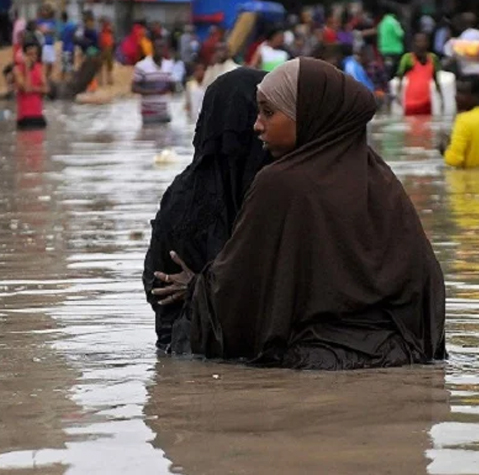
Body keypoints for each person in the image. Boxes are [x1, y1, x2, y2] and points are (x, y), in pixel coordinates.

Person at [151, 58, 446, 370]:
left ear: (307, 115)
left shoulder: (280, 183)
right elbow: (425, 279)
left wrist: (196, 289)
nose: (256, 125)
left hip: (316, 362)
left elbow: (241, 283)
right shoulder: (380, 177)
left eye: (268, 112)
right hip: (404, 356)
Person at [144, 69, 270, 349]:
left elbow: (155, 282)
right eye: (261, 112)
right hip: (229, 353)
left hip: (182, 352)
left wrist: (198, 288)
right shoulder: (269, 189)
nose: (262, 125)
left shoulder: (181, 193)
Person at [396, 32, 443, 116]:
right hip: (410, 103)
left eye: (423, 41)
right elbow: (400, 78)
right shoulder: (407, 58)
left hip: (426, 102)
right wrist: (398, 95)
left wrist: (441, 98)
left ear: (428, 43)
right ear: (413, 43)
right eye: (417, 41)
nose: (420, 44)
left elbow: (436, 79)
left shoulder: (433, 58)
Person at [132, 37, 177, 124]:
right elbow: (134, 88)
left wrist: (174, 85)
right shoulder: (141, 66)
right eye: (158, 47)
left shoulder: (169, 65)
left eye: (163, 47)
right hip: (148, 114)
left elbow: (174, 89)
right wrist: (153, 91)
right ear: (153, 48)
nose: (160, 50)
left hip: (164, 112)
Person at [14, 37, 49, 129]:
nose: (33, 57)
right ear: (24, 55)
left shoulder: (39, 67)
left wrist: (34, 89)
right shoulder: (18, 70)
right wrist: (27, 69)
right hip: (24, 117)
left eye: (35, 54)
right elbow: (26, 88)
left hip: (38, 115)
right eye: (30, 54)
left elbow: (46, 89)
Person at [377, 11, 405, 77]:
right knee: (395, 70)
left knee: (387, 68)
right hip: (394, 50)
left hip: (384, 50)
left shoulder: (382, 23)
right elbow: (400, 34)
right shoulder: (393, 21)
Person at [36, 6, 58, 78]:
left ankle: (48, 77)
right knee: (43, 62)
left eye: (47, 10)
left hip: (50, 44)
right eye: (44, 10)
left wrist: (46, 30)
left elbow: (53, 30)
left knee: (51, 62)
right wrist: (47, 30)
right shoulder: (39, 20)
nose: (45, 12)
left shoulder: (53, 21)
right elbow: (39, 30)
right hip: (43, 44)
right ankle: (42, 77)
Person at [59, 11, 79, 76]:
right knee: (70, 66)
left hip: (65, 48)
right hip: (71, 48)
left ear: (62, 18)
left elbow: (61, 38)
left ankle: (68, 81)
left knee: (65, 67)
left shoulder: (63, 27)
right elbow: (76, 29)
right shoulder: (71, 25)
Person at [99, 17, 115, 84]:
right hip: (106, 47)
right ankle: (108, 80)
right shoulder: (107, 30)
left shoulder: (104, 30)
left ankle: (103, 80)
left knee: (104, 65)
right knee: (108, 65)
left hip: (105, 47)